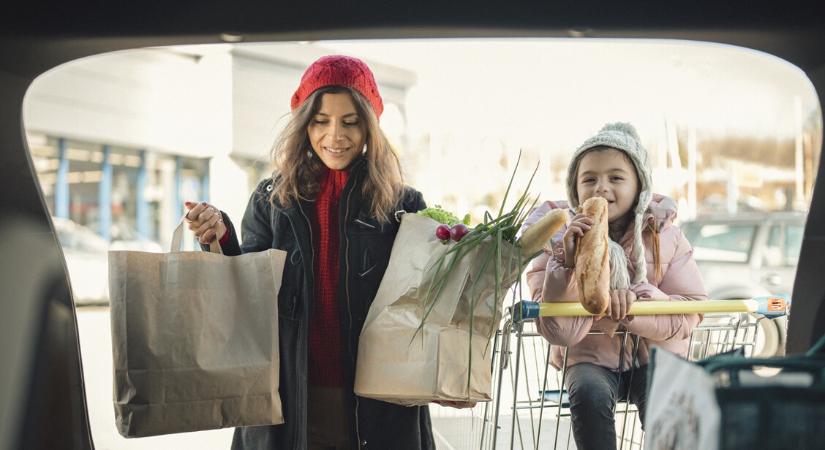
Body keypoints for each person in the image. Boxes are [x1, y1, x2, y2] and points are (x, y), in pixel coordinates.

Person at [183, 55, 435, 450]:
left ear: (369, 125)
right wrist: (220, 237)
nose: (335, 135)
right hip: (287, 400)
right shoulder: (271, 199)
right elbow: (247, 292)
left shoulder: (403, 205)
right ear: (304, 124)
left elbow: (429, 300)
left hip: (379, 406)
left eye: (350, 121)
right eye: (320, 120)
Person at [521, 122, 707, 450]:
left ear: (640, 187)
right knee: (588, 394)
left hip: (657, 357)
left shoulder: (667, 237)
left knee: (667, 403)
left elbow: (689, 310)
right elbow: (559, 331)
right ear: (574, 189)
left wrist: (635, 304)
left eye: (616, 177)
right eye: (589, 179)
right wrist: (567, 261)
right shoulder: (557, 245)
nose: (601, 188)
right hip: (588, 357)